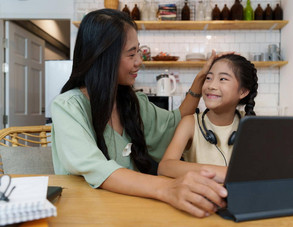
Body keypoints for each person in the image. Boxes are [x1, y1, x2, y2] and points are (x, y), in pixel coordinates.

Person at [51, 8, 228, 218]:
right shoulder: (68, 107)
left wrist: (200, 80)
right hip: (86, 214)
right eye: (131, 54)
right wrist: (167, 188)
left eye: (139, 52)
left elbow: (173, 125)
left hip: (132, 213)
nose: (139, 62)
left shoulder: (132, 102)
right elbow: (97, 168)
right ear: (104, 57)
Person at [158, 54, 258, 183]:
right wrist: (222, 172)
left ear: (243, 92)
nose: (211, 85)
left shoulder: (251, 123)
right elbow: (165, 167)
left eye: (222, 79)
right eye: (209, 78)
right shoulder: (190, 123)